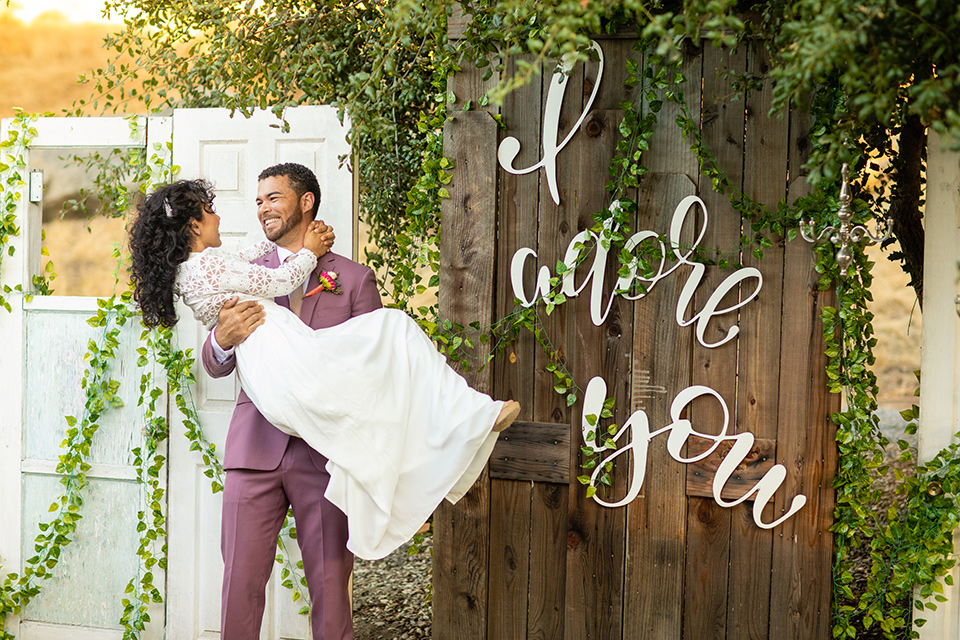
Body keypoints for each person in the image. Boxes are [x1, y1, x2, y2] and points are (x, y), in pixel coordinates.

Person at [127, 165, 519, 640]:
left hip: (326, 458)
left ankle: (468, 418)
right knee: (240, 586)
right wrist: (222, 341)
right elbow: (214, 364)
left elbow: (378, 374)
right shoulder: (235, 269)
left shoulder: (351, 279)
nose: (262, 208)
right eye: (258, 201)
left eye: (273, 198)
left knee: (332, 590)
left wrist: (311, 252)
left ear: (306, 202)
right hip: (257, 449)